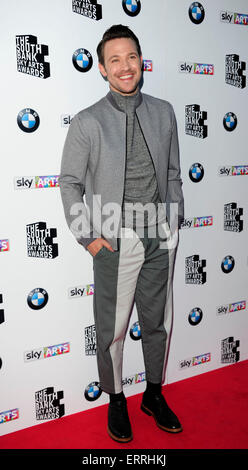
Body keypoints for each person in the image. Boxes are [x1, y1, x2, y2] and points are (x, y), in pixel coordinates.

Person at [59, 24, 184, 443]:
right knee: (112, 330)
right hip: (117, 240)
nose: (125, 66)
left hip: (161, 236)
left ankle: (153, 394)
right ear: (102, 69)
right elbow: (70, 183)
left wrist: (175, 218)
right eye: (114, 60)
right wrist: (89, 238)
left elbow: (173, 173)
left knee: (158, 323)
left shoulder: (164, 112)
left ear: (141, 61)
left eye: (131, 57)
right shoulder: (87, 122)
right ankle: (116, 399)